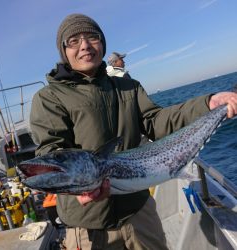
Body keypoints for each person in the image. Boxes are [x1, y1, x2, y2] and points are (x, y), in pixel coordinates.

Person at [30, 13, 237, 250]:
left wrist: (208, 104)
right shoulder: (49, 97)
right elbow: (51, 149)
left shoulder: (128, 86)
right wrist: (77, 185)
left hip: (139, 212)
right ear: (63, 51)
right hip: (88, 225)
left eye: (92, 37)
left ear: (102, 43)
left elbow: (156, 121)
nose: (85, 46)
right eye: (74, 41)